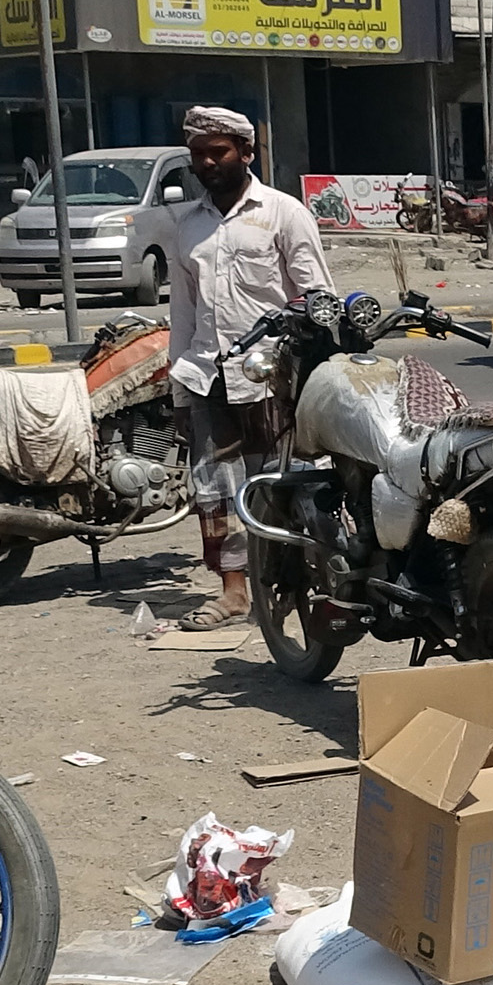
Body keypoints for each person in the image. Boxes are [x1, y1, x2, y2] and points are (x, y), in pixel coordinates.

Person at [163, 104, 331, 630]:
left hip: (273, 376)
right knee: (214, 488)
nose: (208, 163)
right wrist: (179, 391)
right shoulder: (187, 227)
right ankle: (234, 593)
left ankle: (300, 580)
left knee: (280, 483)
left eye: (219, 152)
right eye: (198, 156)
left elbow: (316, 297)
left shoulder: (283, 213)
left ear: (246, 153)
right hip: (208, 376)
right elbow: (183, 314)